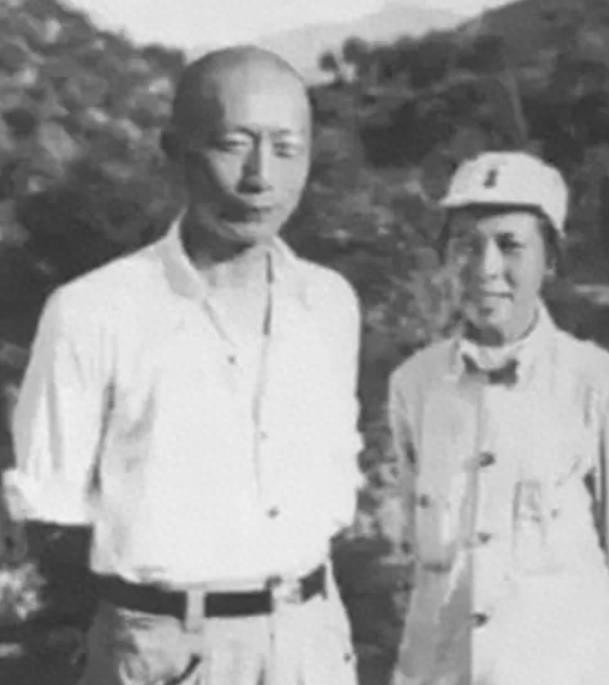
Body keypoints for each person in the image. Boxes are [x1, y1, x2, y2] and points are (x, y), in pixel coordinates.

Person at [2, 46, 362, 685]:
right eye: (233, 145)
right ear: (175, 152)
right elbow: (51, 522)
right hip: (161, 651)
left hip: (313, 641)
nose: (260, 177)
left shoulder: (329, 304)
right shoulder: (93, 311)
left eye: (286, 149)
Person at [388, 151, 609, 685]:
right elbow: (418, 556)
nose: (485, 268)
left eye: (510, 246)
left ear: (550, 260)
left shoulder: (593, 382)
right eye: (466, 245)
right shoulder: (415, 385)